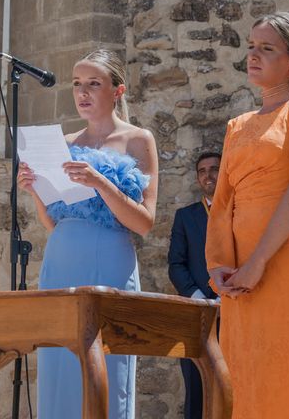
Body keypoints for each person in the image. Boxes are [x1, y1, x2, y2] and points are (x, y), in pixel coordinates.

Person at [205, 12, 289, 418]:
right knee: (245, 373)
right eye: (250, 46)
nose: (253, 56)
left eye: (266, 48)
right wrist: (220, 265)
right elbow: (223, 200)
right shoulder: (238, 125)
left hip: (287, 259)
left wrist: (257, 263)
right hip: (239, 273)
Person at [17, 49, 158, 419]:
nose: (83, 92)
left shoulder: (138, 140)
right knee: (59, 366)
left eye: (94, 84)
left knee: (110, 365)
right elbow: (54, 223)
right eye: (77, 84)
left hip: (110, 261)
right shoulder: (63, 142)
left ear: (117, 91)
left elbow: (144, 223)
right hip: (61, 260)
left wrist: (99, 182)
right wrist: (34, 190)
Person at [168, 152, 221, 419]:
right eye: (202, 171)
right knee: (196, 388)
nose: (208, 175)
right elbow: (176, 265)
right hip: (197, 314)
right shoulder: (185, 217)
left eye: (214, 169)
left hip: (237, 314)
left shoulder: (241, 211)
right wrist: (200, 297)